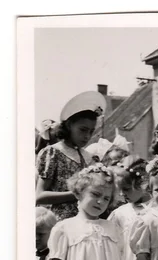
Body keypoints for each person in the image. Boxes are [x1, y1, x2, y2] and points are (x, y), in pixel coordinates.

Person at [36, 91, 106, 221]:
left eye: (91, 131)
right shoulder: (53, 153)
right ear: (69, 125)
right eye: (83, 130)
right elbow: (39, 196)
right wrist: (76, 194)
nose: (87, 136)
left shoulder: (88, 157)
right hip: (59, 222)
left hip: (83, 222)